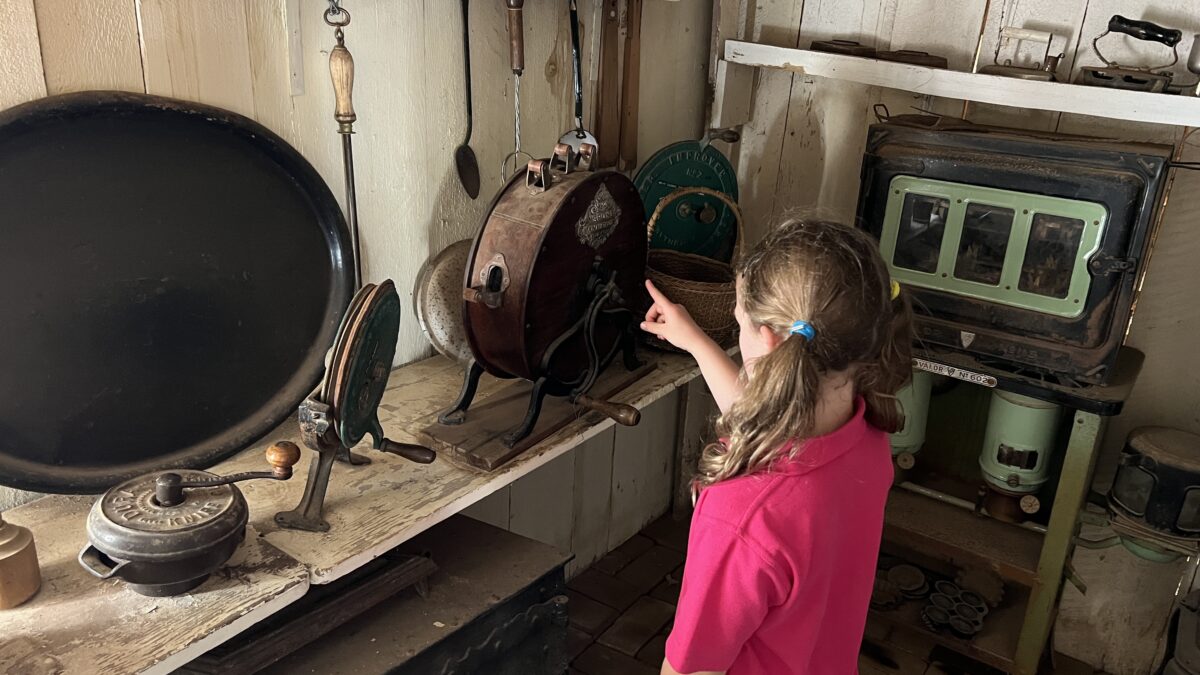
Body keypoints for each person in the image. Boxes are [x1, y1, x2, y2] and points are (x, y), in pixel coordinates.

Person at [640, 217, 912, 675]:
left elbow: (689, 669)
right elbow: (773, 416)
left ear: (766, 340)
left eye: (739, 323)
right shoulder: (866, 437)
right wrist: (696, 342)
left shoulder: (743, 517)